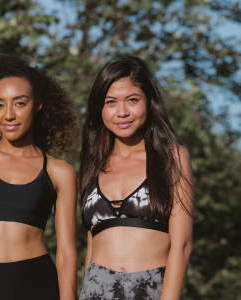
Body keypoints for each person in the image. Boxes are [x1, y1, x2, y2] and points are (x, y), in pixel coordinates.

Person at [0, 53, 79, 300]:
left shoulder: (59, 172)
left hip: (40, 286)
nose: (8, 114)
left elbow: (66, 253)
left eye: (19, 103)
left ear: (38, 104)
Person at [78, 56, 194, 300]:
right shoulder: (93, 166)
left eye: (132, 100)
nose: (122, 112)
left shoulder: (171, 158)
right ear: (100, 109)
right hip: (96, 290)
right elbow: (92, 245)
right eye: (111, 102)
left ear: (149, 103)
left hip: (153, 289)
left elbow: (181, 246)